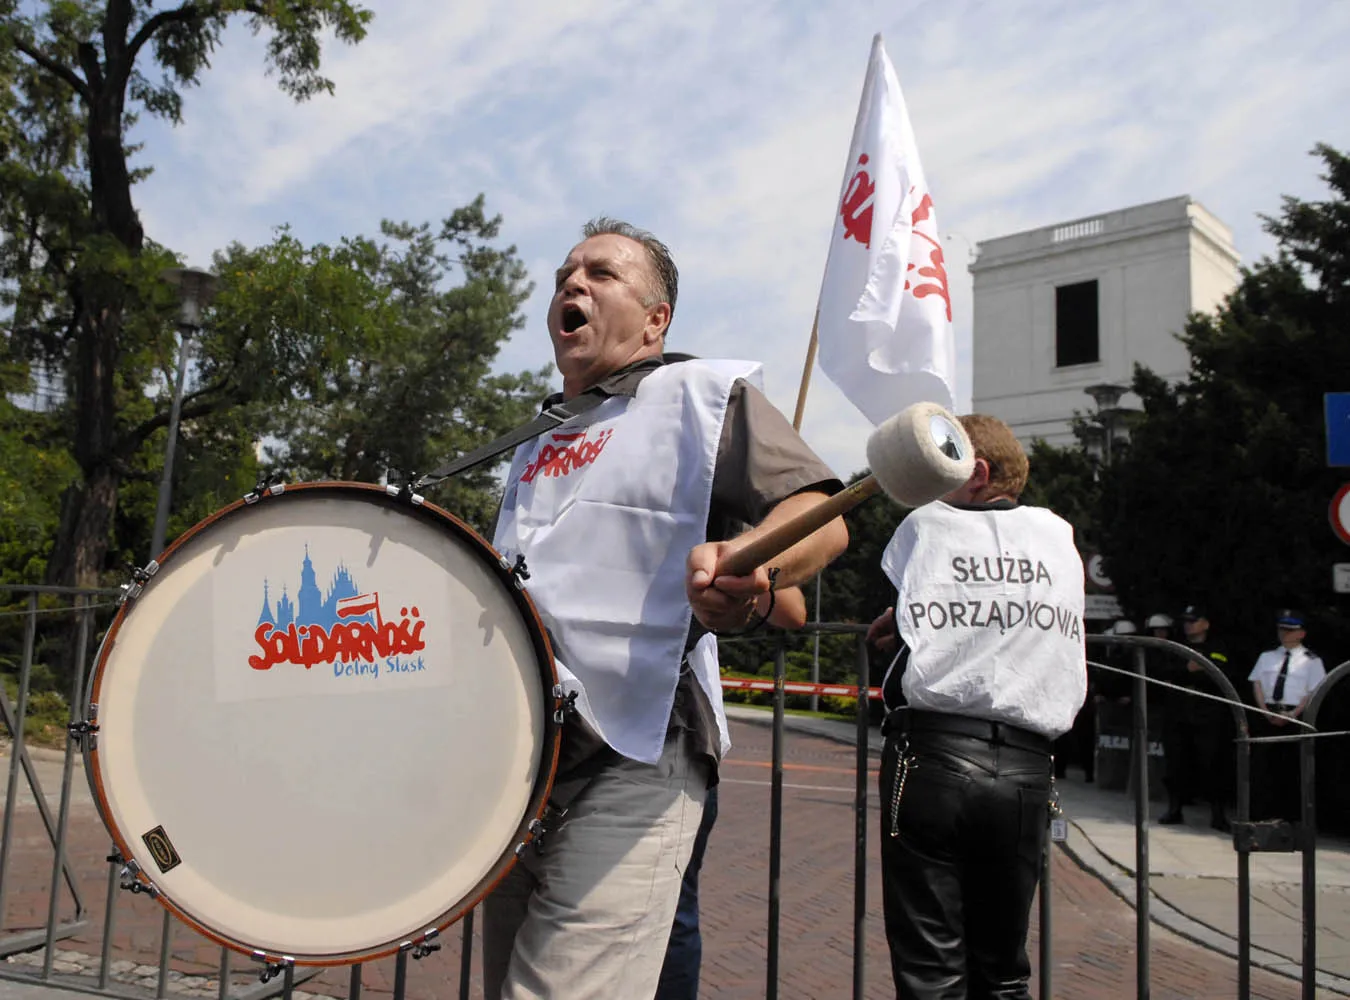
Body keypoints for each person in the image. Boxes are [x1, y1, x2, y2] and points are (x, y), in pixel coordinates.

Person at [482, 218, 848, 999]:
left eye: (602, 273)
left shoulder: (699, 395)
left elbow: (822, 514)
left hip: (637, 752)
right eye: (565, 273)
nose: (573, 282)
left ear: (655, 321)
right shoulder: (536, 439)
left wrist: (756, 568)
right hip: (525, 765)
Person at [866, 414, 1086, 1000]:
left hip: (932, 757)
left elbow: (928, 616)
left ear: (978, 474)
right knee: (1004, 970)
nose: (928, 492)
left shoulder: (928, 525)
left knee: (931, 969)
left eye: (940, 474)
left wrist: (899, 624)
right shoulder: (1058, 535)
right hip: (1026, 766)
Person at [656, 585, 807, 1000]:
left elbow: (791, 609)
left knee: (671, 910)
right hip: (597, 734)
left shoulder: (699, 543)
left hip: (674, 737)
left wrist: (732, 572)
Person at [1159, 605, 1235, 831]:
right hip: (1179, 713)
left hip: (1207, 716)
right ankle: (1174, 809)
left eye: (1193, 621)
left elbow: (1219, 676)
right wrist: (1188, 670)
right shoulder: (1176, 646)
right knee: (1175, 764)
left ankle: (1218, 814)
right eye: (1186, 621)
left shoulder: (1217, 647)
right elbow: (1165, 672)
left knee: (1212, 765)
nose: (1188, 625)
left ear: (1206, 624)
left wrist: (1187, 674)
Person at [1249, 609, 1326, 822]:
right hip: (1267, 713)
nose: (1284, 633)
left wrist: (1292, 714)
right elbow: (1257, 684)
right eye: (1282, 629)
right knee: (1262, 766)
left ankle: (1289, 818)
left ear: (1301, 633)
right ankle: (1260, 815)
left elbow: (1313, 692)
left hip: (1295, 715)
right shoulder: (1267, 657)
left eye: (1290, 630)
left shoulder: (1311, 661)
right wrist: (1265, 712)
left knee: (1290, 767)